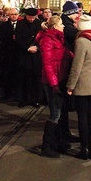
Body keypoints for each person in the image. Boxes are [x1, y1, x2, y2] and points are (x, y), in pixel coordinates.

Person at [67, 14, 91, 160]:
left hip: (83, 84)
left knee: (82, 117)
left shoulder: (81, 41)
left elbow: (77, 66)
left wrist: (70, 85)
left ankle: (85, 148)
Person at [36, 15, 73, 158]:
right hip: (53, 81)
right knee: (55, 113)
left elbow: (65, 55)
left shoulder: (58, 38)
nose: (63, 26)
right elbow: (48, 65)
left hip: (59, 79)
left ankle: (57, 142)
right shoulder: (47, 40)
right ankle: (46, 146)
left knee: (58, 111)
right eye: (61, 24)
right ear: (54, 26)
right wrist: (54, 85)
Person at [60, 1, 80, 142]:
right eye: (75, 13)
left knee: (64, 106)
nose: (78, 15)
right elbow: (79, 35)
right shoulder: (68, 27)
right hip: (64, 68)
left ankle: (64, 133)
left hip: (65, 66)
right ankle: (63, 135)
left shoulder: (67, 24)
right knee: (63, 105)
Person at [16, 8, 43, 107]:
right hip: (25, 54)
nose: (31, 19)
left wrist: (37, 47)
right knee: (24, 78)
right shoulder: (20, 24)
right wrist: (27, 48)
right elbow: (18, 39)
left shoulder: (39, 24)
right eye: (29, 17)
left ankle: (35, 99)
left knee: (36, 78)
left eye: (33, 17)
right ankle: (23, 99)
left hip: (36, 54)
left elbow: (42, 39)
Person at [0, 7, 21, 101]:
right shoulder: (4, 25)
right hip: (8, 52)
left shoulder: (21, 25)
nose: (14, 16)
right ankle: (7, 93)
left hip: (18, 53)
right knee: (7, 74)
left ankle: (17, 94)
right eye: (12, 14)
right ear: (9, 15)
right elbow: (0, 37)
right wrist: (10, 37)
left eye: (15, 14)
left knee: (17, 74)